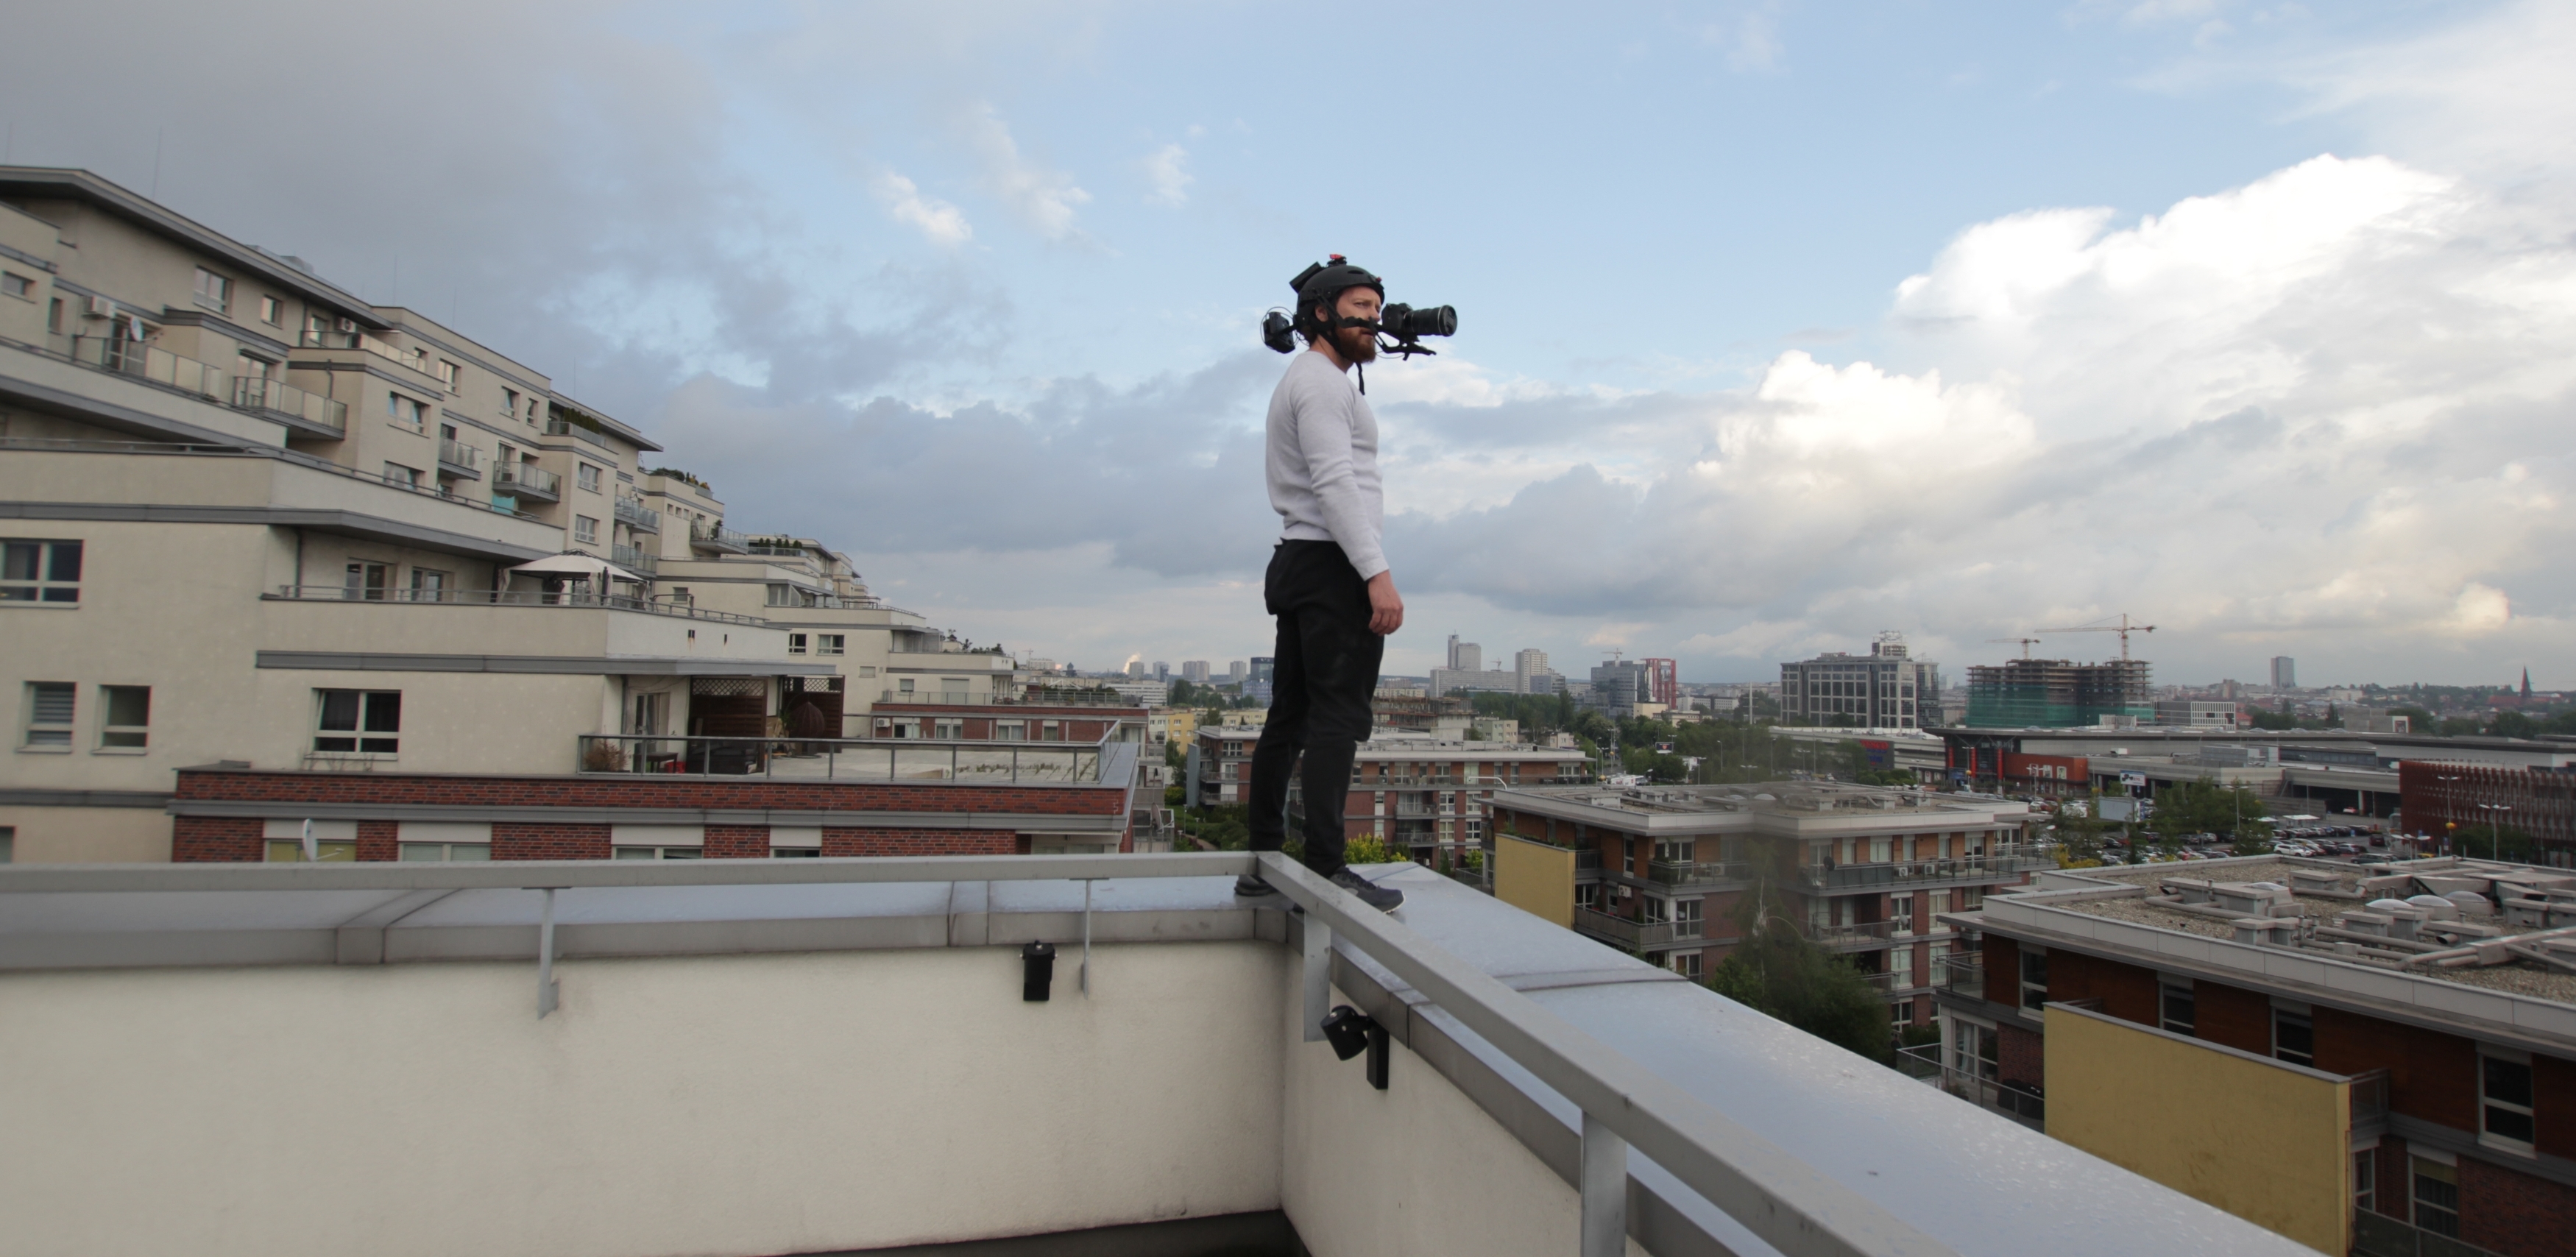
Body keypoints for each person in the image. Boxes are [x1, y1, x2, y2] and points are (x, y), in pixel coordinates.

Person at [1237, 258, 1406, 912]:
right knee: (1338, 719)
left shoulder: (1311, 380)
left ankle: (1263, 862)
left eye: (1376, 309)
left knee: (1290, 717)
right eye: (1360, 308)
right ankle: (1327, 870)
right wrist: (1376, 574)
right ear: (1321, 314)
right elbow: (1335, 482)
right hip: (1333, 563)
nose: (1374, 320)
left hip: (1304, 560)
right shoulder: (1320, 384)